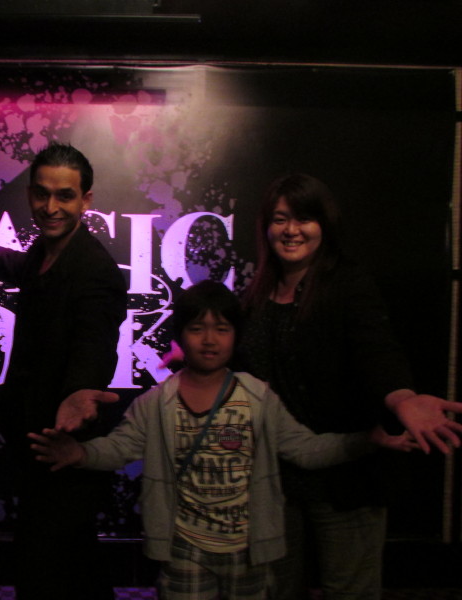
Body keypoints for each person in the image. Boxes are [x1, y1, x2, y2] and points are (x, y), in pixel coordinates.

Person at [29, 280, 416, 600]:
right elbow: (120, 447)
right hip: (183, 549)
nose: (209, 340)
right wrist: (80, 453)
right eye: (197, 328)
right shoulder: (157, 403)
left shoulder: (257, 396)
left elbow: (304, 448)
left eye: (222, 328)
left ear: (237, 335)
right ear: (180, 335)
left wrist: (368, 440)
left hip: (248, 551)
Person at [236, 173, 462, 599]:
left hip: (347, 473)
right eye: (280, 219)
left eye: (304, 218)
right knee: (274, 589)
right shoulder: (257, 292)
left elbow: (377, 350)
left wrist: (403, 397)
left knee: (350, 591)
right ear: (266, 226)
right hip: (278, 475)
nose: (291, 230)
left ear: (325, 224)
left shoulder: (348, 285)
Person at [0, 142, 127, 600]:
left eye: (65, 196)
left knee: (47, 566)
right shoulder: (45, 251)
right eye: (42, 194)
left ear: (85, 200)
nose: (51, 207)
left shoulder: (95, 269)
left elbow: (94, 340)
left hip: (62, 443)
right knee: (70, 559)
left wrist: (80, 391)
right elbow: (21, 267)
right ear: (30, 193)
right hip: (33, 439)